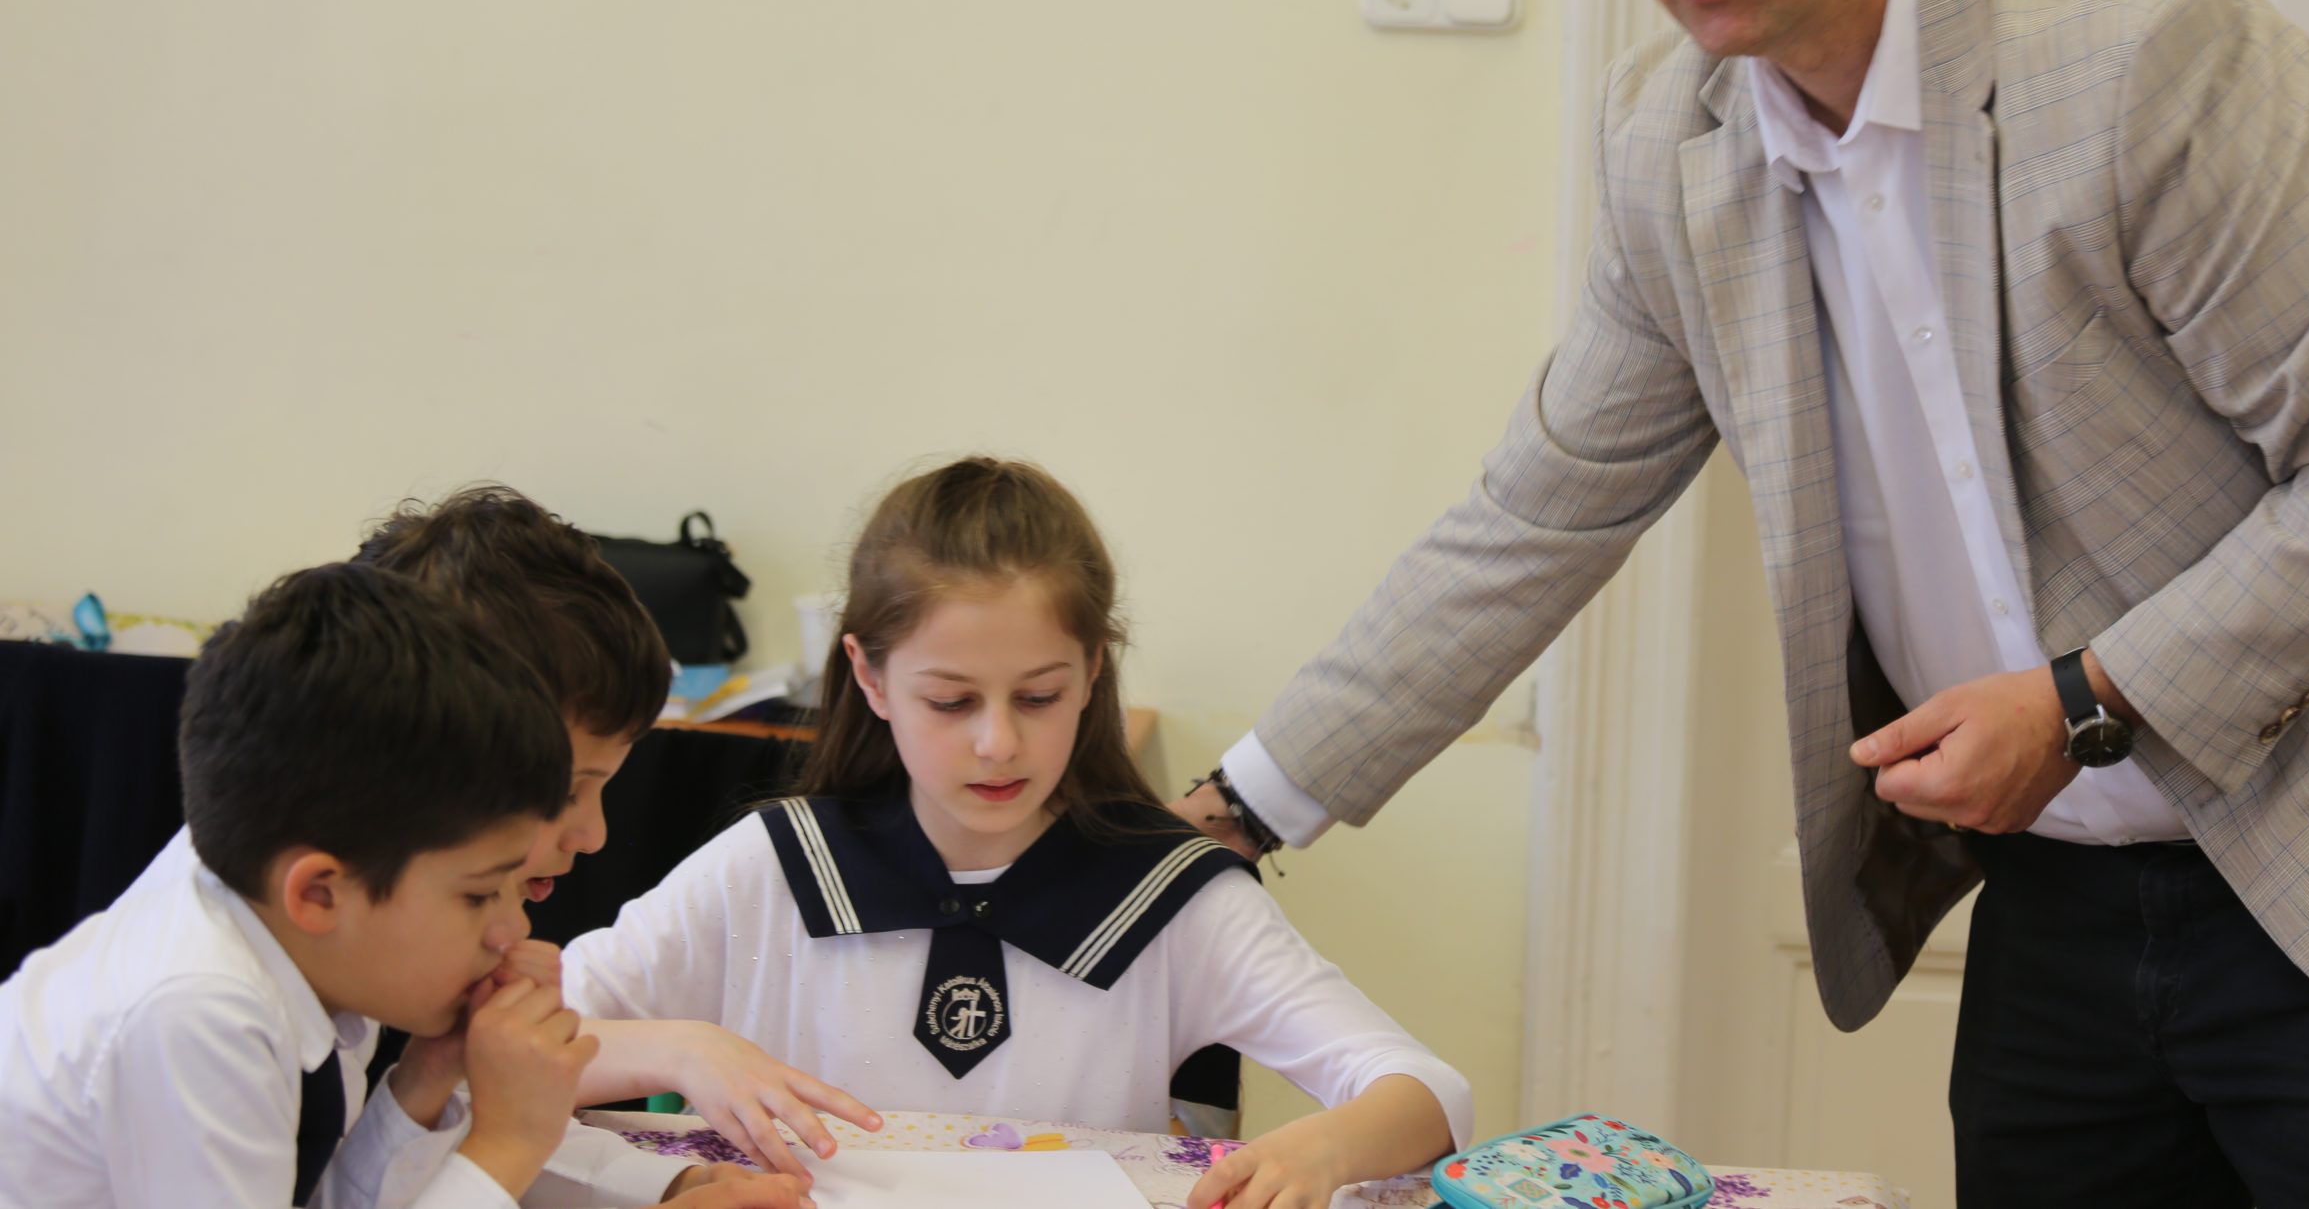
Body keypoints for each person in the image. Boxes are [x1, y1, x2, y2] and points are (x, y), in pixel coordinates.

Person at [1173, 0, 2309, 1207]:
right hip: (2064, 882)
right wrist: (1236, 806)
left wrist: (2083, 699)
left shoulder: (2140, 55)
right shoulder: (1669, 143)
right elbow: (1540, 507)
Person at [562, 457, 1469, 1209]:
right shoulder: (771, 868)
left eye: (1038, 695)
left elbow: (1429, 1093)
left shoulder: (1169, 894)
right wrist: (680, 1049)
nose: (998, 742)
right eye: (950, 700)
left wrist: (1322, 1148)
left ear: (1092, 672)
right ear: (870, 678)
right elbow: (510, 1051)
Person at [0, 562, 587, 1208]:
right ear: (317, 894)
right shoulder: (199, 1009)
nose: (512, 929)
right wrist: (508, 1144)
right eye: (479, 894)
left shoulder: (297, 939)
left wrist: (425, 1077)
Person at [358, 485, 878, 1192]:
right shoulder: (231, 1018)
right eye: (569, 789)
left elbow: (412, 1161)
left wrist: (668, 1185)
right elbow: (490, 1134)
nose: (596, 835)